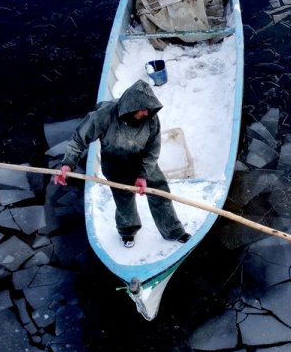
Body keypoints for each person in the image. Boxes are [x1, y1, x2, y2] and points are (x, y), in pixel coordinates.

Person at [54, 79, 191, 248]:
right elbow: (78, 140)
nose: (147, 113)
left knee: (160, 194)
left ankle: (172, 230)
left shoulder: (151, 119)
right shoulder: (103, 116)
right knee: (124, 200)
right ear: (131, 107)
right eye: (143, 110)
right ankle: (128, 231)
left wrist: (143, 175)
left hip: (144, 163)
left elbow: (152, 151)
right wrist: (68, 164)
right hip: (116, 166)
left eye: (149, 109)